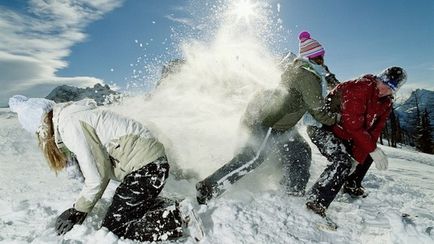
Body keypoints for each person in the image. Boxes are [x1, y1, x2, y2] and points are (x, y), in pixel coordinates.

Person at [8, 96, 184, 242]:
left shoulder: (69, 125)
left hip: (146, 169)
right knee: (126, 208)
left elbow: (97, 174)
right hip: (150, 166)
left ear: (42, 127)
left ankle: (179, 219)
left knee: (115, 230)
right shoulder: (70, 117)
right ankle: (175, 206)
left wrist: (78, 210)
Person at [195, 31, 340, 204]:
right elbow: (318, 109)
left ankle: (292, 193)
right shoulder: (307, 76)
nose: (322, 61)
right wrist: (335, 119)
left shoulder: (303, 71)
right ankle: (208, 187)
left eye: (322, 57)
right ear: (312, 57)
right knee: (252, 159)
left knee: (301, 152)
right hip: (272, 124)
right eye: (320, 57)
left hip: (284, 127)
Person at [305, 66, 407, 217]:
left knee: (368, 152)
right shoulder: (360, 87)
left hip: (344, 133)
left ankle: (351, 184)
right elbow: (352, 125)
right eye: (383, 82)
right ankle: (316, 202)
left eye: (390, 87)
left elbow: (374, 132)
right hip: (323, 127)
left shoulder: (386, 103)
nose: (384, 89)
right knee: (343, 160)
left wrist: (361, 158)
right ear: (378, 78)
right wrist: (359, 156)